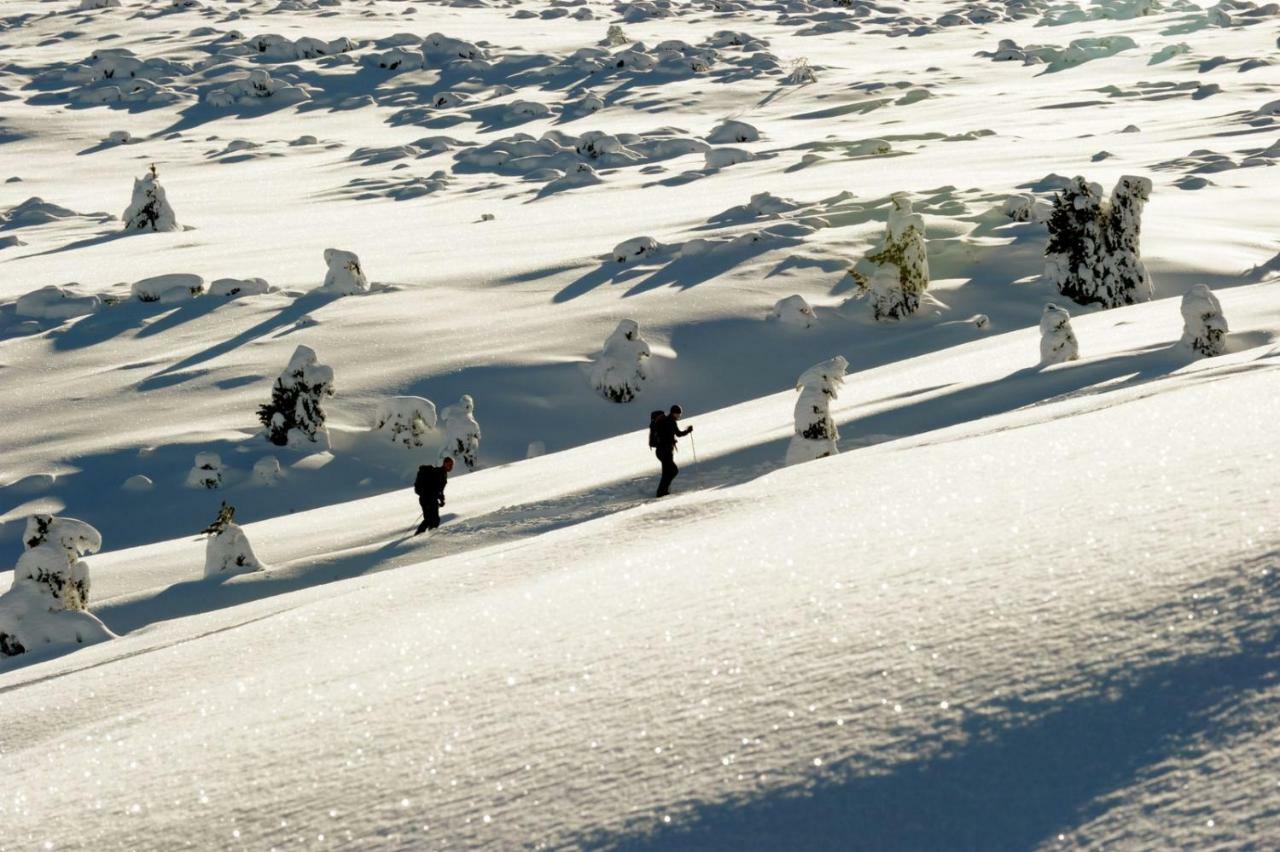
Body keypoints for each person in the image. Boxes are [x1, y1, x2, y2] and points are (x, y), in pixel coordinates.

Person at [652, 404, 692, 498]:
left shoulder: (666, 420)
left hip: (661, 451)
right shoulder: (671, 421)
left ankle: (663, 491)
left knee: (667, 472)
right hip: (665, 451)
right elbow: (678, 434)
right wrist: (688, 431)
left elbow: (667, 435)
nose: (679, 416)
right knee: (673, 470)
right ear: (674, 413)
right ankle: (661, 492)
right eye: (678, 414)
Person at [414, 457, 453, 535]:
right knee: (431, 519)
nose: (451, 466)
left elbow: (439, 489)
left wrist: (441, 499)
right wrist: (439, 498)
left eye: (451, 465)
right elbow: (435, 488)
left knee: (431, 519)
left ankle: (427, 536)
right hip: (428, 499)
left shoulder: (442, 473)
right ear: (444, 463)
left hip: (427, 498)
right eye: (449, 464)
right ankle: (420, 536)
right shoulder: (439, 472)